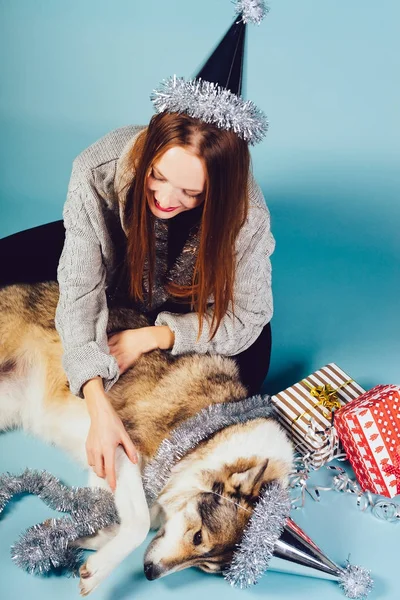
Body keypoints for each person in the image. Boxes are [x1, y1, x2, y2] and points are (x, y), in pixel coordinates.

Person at [0, 2, 274, 490]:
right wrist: (96, 402)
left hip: (185, 296)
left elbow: (247, 317)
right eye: (158, 178)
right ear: (147, 153)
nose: (168, 199)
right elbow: (81, 287)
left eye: (191, 193)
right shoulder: (99, 166)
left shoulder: (247, 215)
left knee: (248, 375)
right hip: (118, 264)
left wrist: (158, 336)